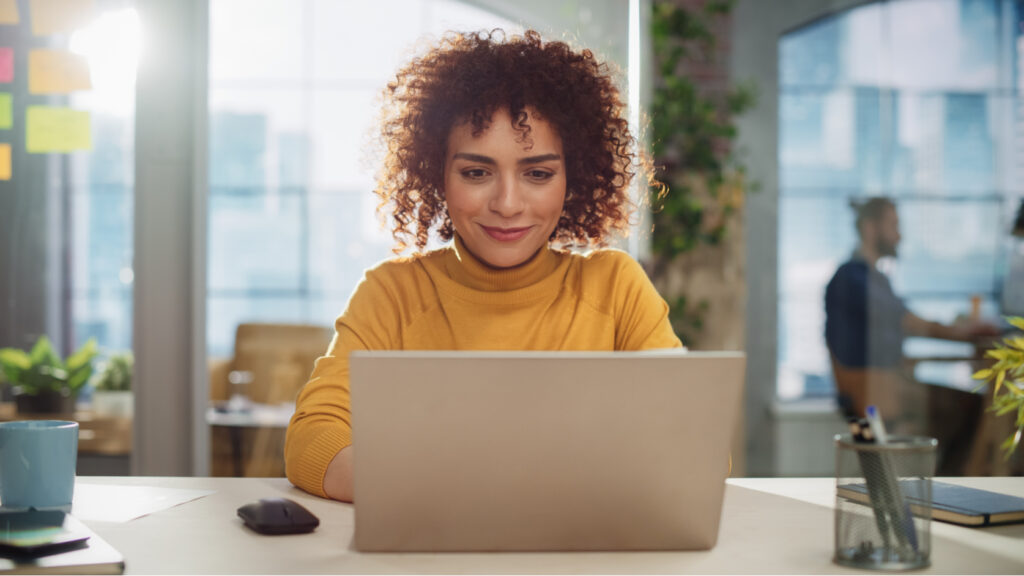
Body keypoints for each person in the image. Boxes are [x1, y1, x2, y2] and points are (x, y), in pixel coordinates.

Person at [284, 30, 683, 502]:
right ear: (438, 175)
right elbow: (313, 439)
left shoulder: (615, 288)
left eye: (538, 173)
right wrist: (460, 491)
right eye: (476, 173)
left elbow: (690, 447)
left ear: (573, 178)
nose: (508, 204)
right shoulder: (392, 294)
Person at [824, 197, 998, 472]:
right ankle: (952, 491)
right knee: (974, 407)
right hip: (876, 394)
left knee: (972, 408)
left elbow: (899, 323)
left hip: (887, 386)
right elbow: (906, 321)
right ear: (871, 229)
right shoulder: (852, 277)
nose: (900, 235)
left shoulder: (872, 278)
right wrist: (961, 333)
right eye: (893, 225)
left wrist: (959, 333)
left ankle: (947, 489)